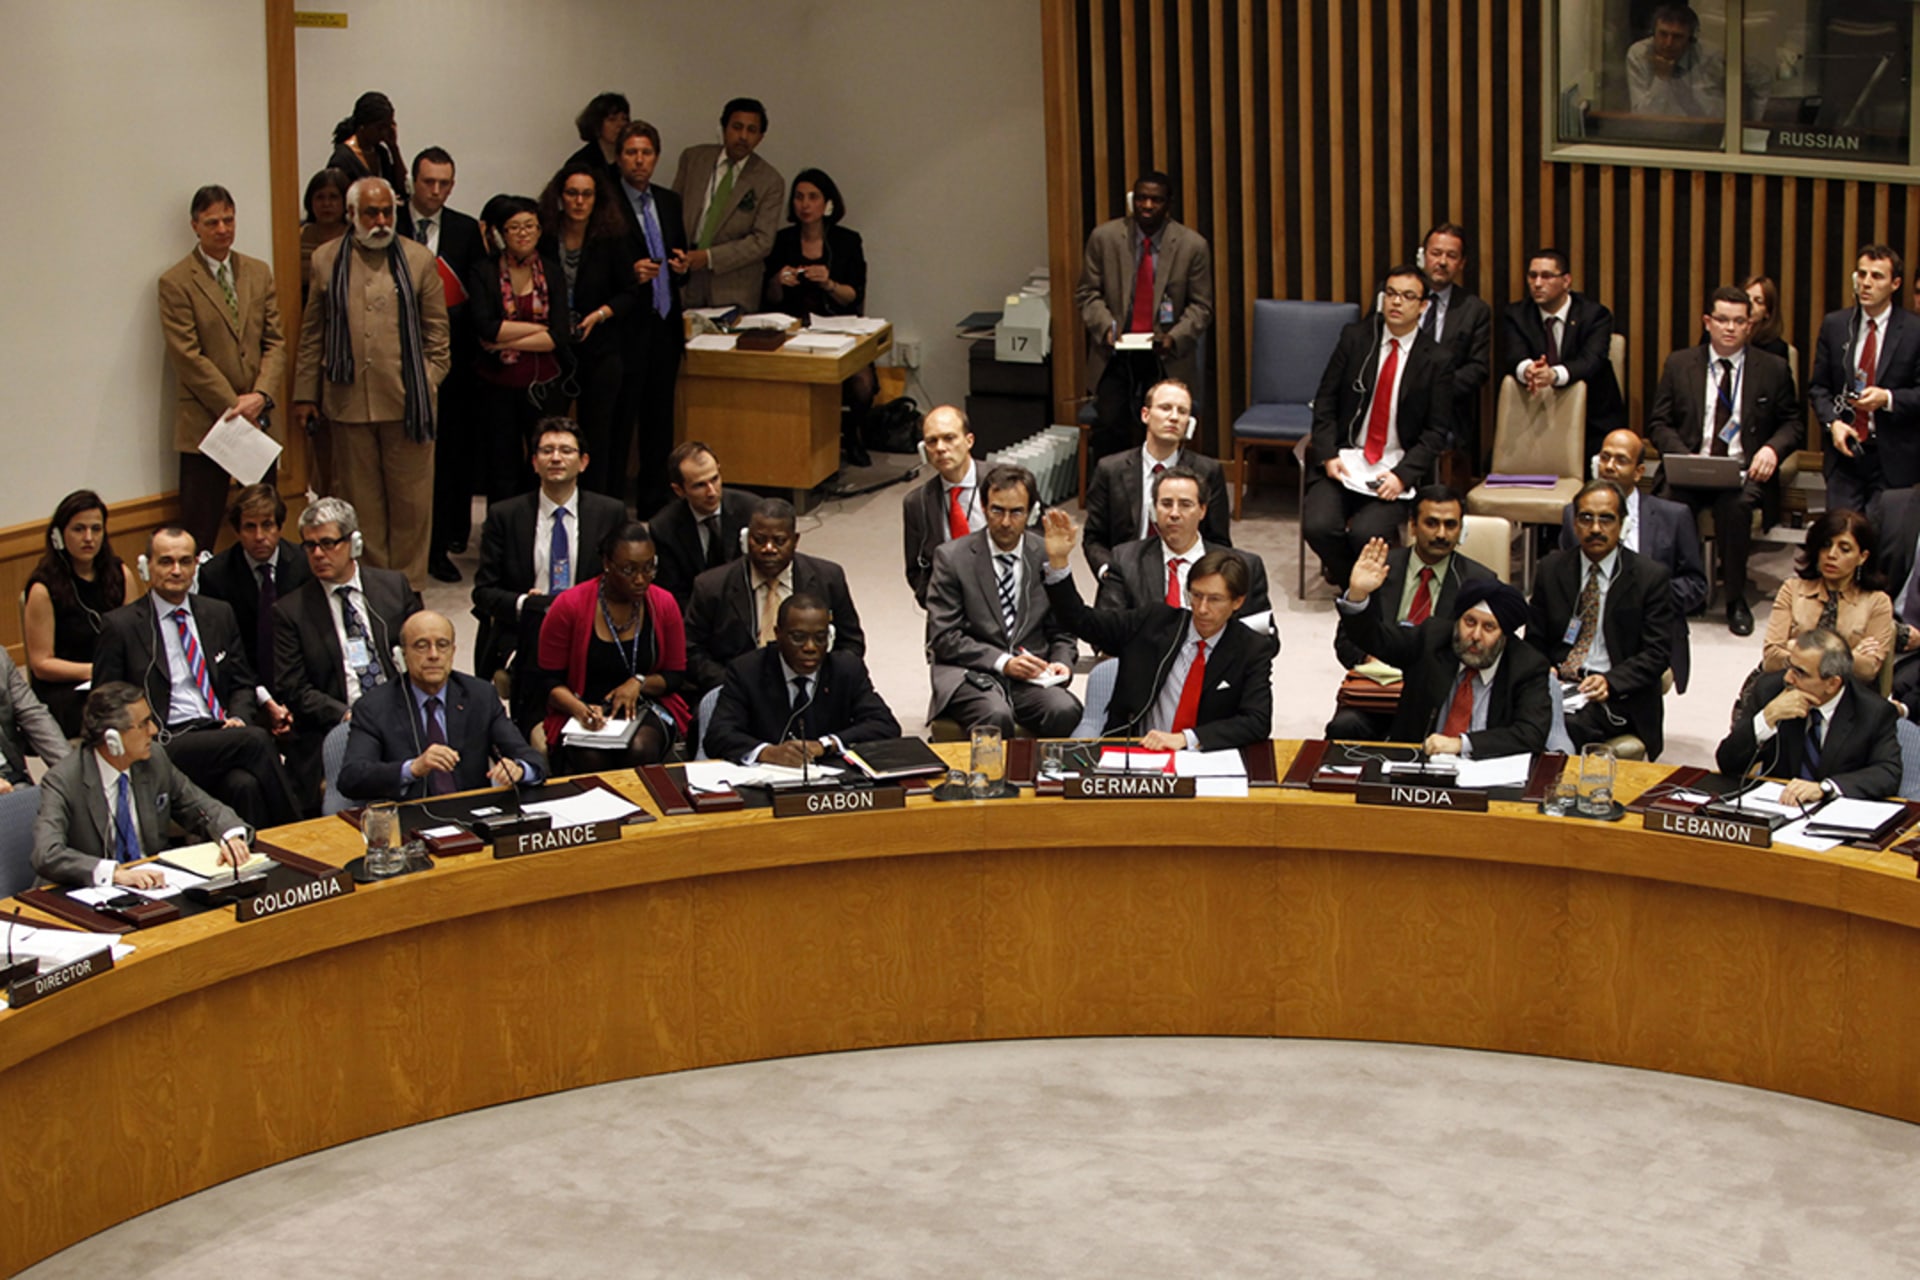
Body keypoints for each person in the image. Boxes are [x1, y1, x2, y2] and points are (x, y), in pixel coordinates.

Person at [293, 176, 450, 590]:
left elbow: (439, 337)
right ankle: (379, 589)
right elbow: (313, 333)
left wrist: (426, 383)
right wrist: (305, 393)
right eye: (370, 213)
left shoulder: (417, 259)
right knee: (362, 506)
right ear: (352, 215)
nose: (380, 221)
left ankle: (410, 588)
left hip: (409, 405)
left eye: (386, 212)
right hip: (347, 404)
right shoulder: (326, 259)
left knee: (411, 505)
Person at [93, 528, 298, 830]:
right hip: (164, 739)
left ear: (195, 567)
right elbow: (104, 702)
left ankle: (259, 867)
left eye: (185, 562)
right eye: (166, 562)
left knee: (243, 786)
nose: (177, 571)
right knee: (255, 740)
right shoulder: (121, 626)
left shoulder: (218, 613)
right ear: (146, 567)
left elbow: (242, 681)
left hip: (220, 732)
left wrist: (239, 717)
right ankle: (300, 836)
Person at [1042, 512, 1272, 751]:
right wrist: (1059, 564)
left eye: (1215, 599)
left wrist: (1187, 738)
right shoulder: (1153, 622)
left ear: (1237, 602)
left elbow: (1257, 721)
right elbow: (1081, 621)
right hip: (1137, 754)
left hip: (1204, 757)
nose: (1202, 609)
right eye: (1196, 596)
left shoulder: (1252, 648)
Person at [1645, 289, 1800, 636]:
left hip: (1742, 471)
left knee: (1737, 507)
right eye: (1722, 320)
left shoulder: (1772, 368)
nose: (1730, 328)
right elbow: (1658, 423)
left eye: (1739, 321)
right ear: (1708, 322)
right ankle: (1672, 596)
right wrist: (1681, 456)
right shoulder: (1680, 363)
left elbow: (1793, 423)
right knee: (1668, 506)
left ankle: (1734, 599)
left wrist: (1772, 450)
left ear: (1750, 325)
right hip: (1689, 467)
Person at [1303, 264, 1456, 587]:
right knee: (1317, 526)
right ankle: (1351, 579)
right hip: (1345, 461)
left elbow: (1435, 432)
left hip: (1394, 468)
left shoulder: (1437, 359)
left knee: (1367, 533)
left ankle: (1357, 577)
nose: (1397, 302)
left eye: (1407, 296)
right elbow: (1326, 400)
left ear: (1424, 305)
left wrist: (1403, 476)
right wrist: (1329, 454)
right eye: (1391, 294)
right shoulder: (1356, 338)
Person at [157, 184, 287, 553]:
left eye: (228, 220)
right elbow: (188, 355)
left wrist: (260, 396)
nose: (222, 229)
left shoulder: (258, 272)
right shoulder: (176, 282)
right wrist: (235, 405)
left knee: (264, 519)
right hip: (208, 423)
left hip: (259, 420)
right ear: (195, 226)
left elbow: (276, 341)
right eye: (212, 222)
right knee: (201, 529)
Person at [470, 419, 626, 725]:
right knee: (535, 666)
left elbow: (624, 581)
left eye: (566, 450)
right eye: (547, 450)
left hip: (591, 624)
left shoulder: (610, 513)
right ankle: (529, 736)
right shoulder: (505, 515)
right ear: (534, 462)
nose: (556, 458)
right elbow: (483, 592)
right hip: (528, 627)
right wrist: (525, 605)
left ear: (583, 462)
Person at [272, 498, 420, 812]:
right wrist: (345, 713)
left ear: (353, 543)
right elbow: (293, 688)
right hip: (341, 723)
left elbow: (421, 652)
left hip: (402, 710)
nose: (317, 554)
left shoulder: (393, 587)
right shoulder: (290, 611)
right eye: (309, 546)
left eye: (327, 543)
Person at [31, 683, 250, 890]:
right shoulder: (64, 779)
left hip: (152, 887)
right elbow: (47, 853)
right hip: (87, 894)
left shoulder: (154, 759)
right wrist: (114, 873)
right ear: (112, 738)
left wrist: (230, 834)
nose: (153, 729)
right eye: (143, 723)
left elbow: (200, 807)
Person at [1338, 546, 1552, 758]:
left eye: (1489, 627)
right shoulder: (1432, 639)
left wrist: (1461, 744)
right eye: (1469, 622)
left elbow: (1531, 734)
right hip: (1418, 765)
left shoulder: (1527, 666)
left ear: (1504, 635)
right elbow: (1375, 639)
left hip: (1487, 770)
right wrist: (1358, 594)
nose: (1475, 635)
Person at [924, 464, 1082, 737]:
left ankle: (1045, 778)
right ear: (984, 508)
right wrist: (1003, 662)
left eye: (1016, 512)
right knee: (995, 715)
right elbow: (944, 636)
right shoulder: (951, 558)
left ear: (1030, 512)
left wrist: (1061, 662)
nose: (1006, 522)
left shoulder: (1045, 555)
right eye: (997, 510)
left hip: (1032, 677)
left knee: (1065, 710)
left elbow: (1064, 629)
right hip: (971, 674)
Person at [1329, 484, 1496, 740]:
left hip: (1439, 699)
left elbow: (1484, 653)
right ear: (1413, 526)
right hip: (1377, 693)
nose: (1441, 534)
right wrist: (1358, 597)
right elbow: (1346, 644)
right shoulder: (1378, 570)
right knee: (1345, 726)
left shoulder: (1479, 582)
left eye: (1450, 525)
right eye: (1431, 523)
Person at [1528, 479, 1676, 759]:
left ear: (1622, 524)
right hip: (1560, 685)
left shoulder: (1649, 577)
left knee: (1567, 726)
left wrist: (1611, 681)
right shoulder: (1551, 569)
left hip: (1617, 693)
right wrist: (1544, 668)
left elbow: (1657, 654)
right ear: (1574, 523)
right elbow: (1534, 640)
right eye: (1586, 518)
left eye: (1606, 519)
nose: (1595, 529)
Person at [1074, 170, 1214, 462]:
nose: (1147, 206)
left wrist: (1173, 337)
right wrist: (1107, 328)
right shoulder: (1105, 238)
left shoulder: (1192, 246)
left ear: (1168, 204)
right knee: (1112, 422)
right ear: (1132, 200)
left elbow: (1201, 307)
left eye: (1155, 200)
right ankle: (1114, 492)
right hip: (1114, 353)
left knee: (1164, 422)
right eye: (1141, 199)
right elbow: (1087, 293)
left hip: (1165, 356)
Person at [338, 611, 546, 802]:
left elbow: (531, 758)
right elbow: (352, 777)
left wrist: (519, 768)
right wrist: (413, 768)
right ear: (403, 655)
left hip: (473, 814)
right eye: (421, 645)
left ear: (453, 652)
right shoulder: (374, 706)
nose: (434, 654)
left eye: (442, 644)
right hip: (410, 820)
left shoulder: (480, 695)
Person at [537, 520, 691, 770]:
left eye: (649, 568)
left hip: (645, 706)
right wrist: (580, 709)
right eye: (629, 570)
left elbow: (675, 675)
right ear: (607, 564)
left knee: (641, 748)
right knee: (591, 756)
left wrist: (639, 682)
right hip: (582, 706)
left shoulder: (663, 604)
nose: (641, 579)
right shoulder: (569, 606)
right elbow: (547, 681)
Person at [1556, 430, 1707, 683]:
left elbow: (1696, 584)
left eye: (1621, 460)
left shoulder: (1674, 517)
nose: (1609, 467)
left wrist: (1646, 597)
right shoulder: (1575, 514)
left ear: (1639, 471)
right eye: (1605, 457)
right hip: (1589, 633)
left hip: (1648, 634)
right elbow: (1563, 580)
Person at [403, 147, 487, 583]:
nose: (435, 191)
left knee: (448, 462)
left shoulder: (465, 229)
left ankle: (439, 548)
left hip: (449, 363)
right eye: (427, 182)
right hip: (395, 363)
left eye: (444, 184)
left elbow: (474, 293)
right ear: (412, 182)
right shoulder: (392, 222)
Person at [684, 498, 865, 693]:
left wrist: (823, 680)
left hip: (812, 687)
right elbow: (691, 650)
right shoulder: (711, 586)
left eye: (779, 541)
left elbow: (851, 643)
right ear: (747, 539)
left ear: (795, 541)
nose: (768, 549)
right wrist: (733, 683)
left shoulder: (828, 578)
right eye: (759, 540)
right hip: (736, 691)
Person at [704, 594, 900, 766]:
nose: (810, 647)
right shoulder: (747, 670)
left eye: (821, 637)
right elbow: (718, 736)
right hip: (764, 781)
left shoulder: (846, 669)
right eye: (798, 637)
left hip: (831, 782)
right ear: (778, 634)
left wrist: (826, 744)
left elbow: (885, 725)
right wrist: (767, 752)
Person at [765, 167, 875, 464]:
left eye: (813, 197)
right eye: (799, 197)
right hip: (793, 332)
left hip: (838, 328)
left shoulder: (847, 241)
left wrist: (829, 283)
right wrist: (778, 281)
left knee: (863, 383)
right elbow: (768, 299)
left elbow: (854, 294)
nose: (805, 204)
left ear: (828, 203)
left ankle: (852, 436)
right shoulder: (782, 240)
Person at [539, 161, 636, 498]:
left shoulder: (613, 237)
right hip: (553, 350)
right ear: (560, 196)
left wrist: (600, 314)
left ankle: (598, 510)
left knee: (597, 436)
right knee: (549, 435)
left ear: (597, 199)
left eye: (586, 194)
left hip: (601, 347)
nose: (578, 201)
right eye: (571, 193)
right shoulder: (545, 235)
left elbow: (631, 293)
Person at [468, 194, 571, 508]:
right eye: (514, 227)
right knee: (502, 467)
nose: (524, 233)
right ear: (501, 233)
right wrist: (537, 330)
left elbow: (557, 336)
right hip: (497, 384)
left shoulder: (551, 272)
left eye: (530, 226)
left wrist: (506, 340)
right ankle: (502, 535)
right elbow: (487, 327)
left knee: (544, 463)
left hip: (544, 385)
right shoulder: (484, 271)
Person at [1717, 628, 1901, 804]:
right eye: (1790, 666)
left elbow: (1887, 773)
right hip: (1779, 807)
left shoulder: (1872, 711)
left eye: (1800, 673)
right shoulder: (1770, 690)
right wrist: (1765, 719)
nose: (1788, 678)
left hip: (1836, 816)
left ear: (1832, 683)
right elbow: (1727, 763)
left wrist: (1825, 788)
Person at [610, 120, 686, 515]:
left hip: (665, 325)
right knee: (622, 424)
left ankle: (655, 504)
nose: (639, 161)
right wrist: (629, 274)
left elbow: (678, 254)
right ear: (619, 157)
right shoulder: (607, 203)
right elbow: (597, 267)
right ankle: (613, 504)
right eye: (631, 153)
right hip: (625, 329)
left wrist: (682, 265)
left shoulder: (668, 201)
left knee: (660, 423)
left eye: (646, 153)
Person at [1082, 379, 1231, 580]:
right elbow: (1094, 538)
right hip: (1125, 576)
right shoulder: (1110, 469)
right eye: (1165, 408)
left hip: (1185, 578)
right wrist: (1109, 573)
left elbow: (1218, 541)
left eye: (1183, 411)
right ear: (1146, 414)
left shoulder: (1207, 471)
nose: (1174, 417)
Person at [1810, 244, 1920, 514]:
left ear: (1895, 284)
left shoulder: (1914, 331)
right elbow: (1819, 387)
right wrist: (1832, 423)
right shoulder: (1835, 325)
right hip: (1846, 452)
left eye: (1876, 276)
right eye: (1861, 274)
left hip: (1892, 456)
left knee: (1882, 539)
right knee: (1841, 532)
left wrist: (1888, 399)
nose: (1866, 283)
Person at [25, 490, 139, 738]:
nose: (89, 538)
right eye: (79, 529)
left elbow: (136, 634)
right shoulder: (43, 588)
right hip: (68, 687)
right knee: (111, 716)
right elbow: (41, 664)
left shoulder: (120, 574)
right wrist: (94, 670)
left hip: (114, 678)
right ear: (58, 535)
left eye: (96, 529)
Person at [1092, 466, 1271, 617]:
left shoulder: (1246, 566)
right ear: (1155, 508)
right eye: (1166, 504)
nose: (1175, 514)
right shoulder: (1125, 559)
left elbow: (1265, 640)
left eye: (1185, 504)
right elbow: (1104, 630)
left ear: (1202, 510)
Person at [1502, 248, 1627, 456]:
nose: (1538, 283)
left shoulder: (1595, 315)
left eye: (1547, 276)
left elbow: (1592, 360)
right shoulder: (1516, 315)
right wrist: (1529, 370)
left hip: (1593, 420)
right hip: (1534, 420)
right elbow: (1514, 355)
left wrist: (1553, 375)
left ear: (1566, 281)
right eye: (1532, 276)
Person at [670, 97, 785, 313]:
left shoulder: (770, 181)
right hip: (685, 276)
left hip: (733, 286)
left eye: (752, 130)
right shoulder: (693, 159)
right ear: (723, 128)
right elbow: (672, 212)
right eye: (737, 127)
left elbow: (762, 241)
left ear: (760, 138)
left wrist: (709, 258)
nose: (743, 136)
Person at [196, 484, 313, 691]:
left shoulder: (305, 564)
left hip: (304, 680)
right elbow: (222, 649)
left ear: (280, 527)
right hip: (247, 686)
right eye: (250, 527)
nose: (259, 536)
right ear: (237, 531)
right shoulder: (215, 575)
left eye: (267, 525)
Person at [1760, 508, 1893, 683]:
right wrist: (1849, 656)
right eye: (1826, 545)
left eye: (1844, 549)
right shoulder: (1791, 589)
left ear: (1862, 557)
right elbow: (1771, 659)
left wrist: (1795, 648)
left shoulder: (1877, 602)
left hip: (1845, 691)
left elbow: (1868, 669)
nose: (1831, 555)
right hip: (1788, 682)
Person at [1417, 222, 1494, 464]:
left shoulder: (1474, 310)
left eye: (1451, 256)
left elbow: (1478, 369)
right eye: (1436, 253)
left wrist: (1434, 391)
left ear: (1461, 264)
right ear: (1423, 255)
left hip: (1444, 409)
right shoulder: (1395, 295)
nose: (1442, 262)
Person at [650, 441, 757, 606]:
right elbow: (673, 593)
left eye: (714, 479)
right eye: (700, 485)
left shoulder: (751, 511)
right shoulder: (664, 528)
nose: (712, 492)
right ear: (679, 490)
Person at [903, 406, 982, 608]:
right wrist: (939, 606)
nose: (940, 448)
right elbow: (915, 571)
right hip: (950, 606)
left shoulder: (1007, 484)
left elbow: (1037, 546)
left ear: (969, 441)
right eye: (932, 441)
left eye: (949, 438)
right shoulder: (916, 503)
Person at [1625, 4, 1725, 119]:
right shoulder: (1640, 54)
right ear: (1653, 33)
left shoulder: (1709, 57)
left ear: (1691, 39)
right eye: (1663, 34)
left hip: (1699, 132)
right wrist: (1661, 78)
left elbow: (1716, 115)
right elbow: (1642, 116)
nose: (1668, 43)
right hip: (1655, 132)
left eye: (1677, 37)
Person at [327, 91, 406, 203]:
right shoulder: (342, 159)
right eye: (379, 128)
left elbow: (402, 187)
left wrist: (394, 148)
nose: (384, 133)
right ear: (363, 126)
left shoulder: (381, 152)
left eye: (387, 127)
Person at [299, 168, 352, 311]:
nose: (326, 204)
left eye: (333, 197)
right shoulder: (299, 237)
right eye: (320, 197)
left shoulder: (354, 238)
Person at [565, 91, 630, 181]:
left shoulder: (630, 157)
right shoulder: (581, 162)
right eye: (612, 119)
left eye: (624, 119)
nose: (620, 125)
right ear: (597, 124)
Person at [1743, 274, 1790, 361]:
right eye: (1746, 298)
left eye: (1758, 301)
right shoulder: (1727, 339)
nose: (1749, 304)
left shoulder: (1775, 348)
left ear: (1767, 312)